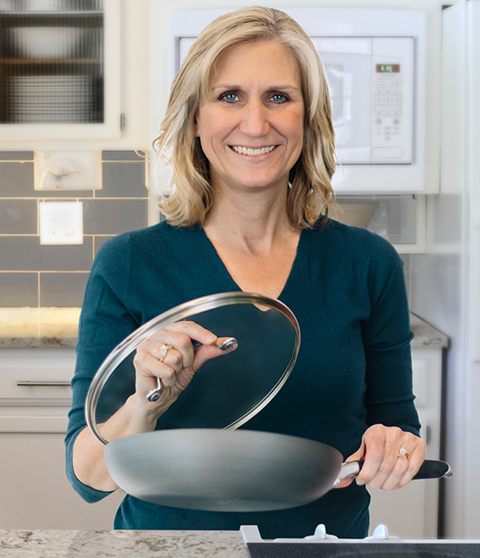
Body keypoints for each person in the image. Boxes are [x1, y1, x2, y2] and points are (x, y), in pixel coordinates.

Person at [65, 6, 425, 539]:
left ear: (308, 117)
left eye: (278, 97)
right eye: (229, 96)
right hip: (171, 549)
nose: (255, 123)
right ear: (195, 118)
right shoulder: (129, 264)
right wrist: (150, 397)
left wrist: (395, 447)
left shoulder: (368, 263)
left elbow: (396, 426)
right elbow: (88, 477)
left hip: (324, 549)